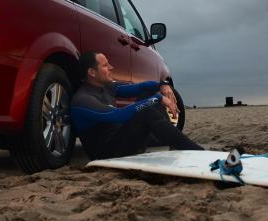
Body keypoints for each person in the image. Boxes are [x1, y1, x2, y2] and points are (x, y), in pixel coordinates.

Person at [70, 51, 204, 160]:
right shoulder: (82, 100)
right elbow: (118, 116)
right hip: (107, 152)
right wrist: (157, 98)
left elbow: (139, 87)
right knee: (147, 110)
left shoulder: (107, 87)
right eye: (105, 66)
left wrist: (162, 84)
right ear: (92, 73)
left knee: (148, 93)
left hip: (124, 138)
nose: (111, 67)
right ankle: (197, 152)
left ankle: (171, 141)